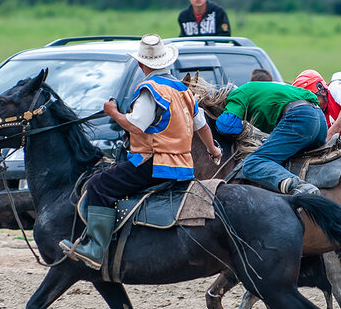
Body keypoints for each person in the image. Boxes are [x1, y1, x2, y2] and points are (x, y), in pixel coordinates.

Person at [59, 34, 221, 269]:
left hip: (154, 164)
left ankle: (95, 249)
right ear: (166, 62)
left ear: (140, 64)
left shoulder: (149, 89)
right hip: (184, 167)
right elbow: (202, 126)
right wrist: (213, 149)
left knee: (98, 185)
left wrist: (113, 112)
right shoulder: (184, 92)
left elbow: (135, 126)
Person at [214, 80, 326, 195]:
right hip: (319, 118)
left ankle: (299, 187)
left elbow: (225, 126)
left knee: (252, 163)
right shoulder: (258, 89)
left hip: (301, 118)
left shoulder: (237, 94)